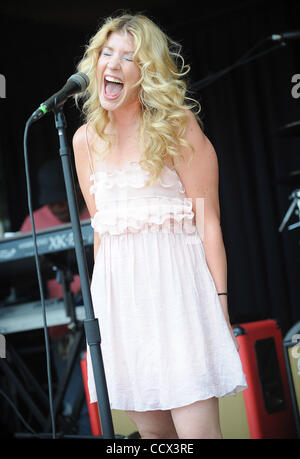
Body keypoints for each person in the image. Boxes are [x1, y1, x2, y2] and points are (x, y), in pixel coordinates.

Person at [72, 13, 247, 439]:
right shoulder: (83, 142)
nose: (112, 64)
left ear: (146, 72)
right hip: (123, 309)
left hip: (180, 301)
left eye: (128, 57)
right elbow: (103, 233)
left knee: (198, 435)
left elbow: (208, 221)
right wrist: (102, 311)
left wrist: (219, 304)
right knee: (155, 441)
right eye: (106, 53)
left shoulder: (177, 126)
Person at [20, 158, 91, 434]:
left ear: (77, 189)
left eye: (64, 199)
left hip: (106, 315)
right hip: (63, 327)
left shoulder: (98, 209)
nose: (60, 207)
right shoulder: (33, 223)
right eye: (54, 203)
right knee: (76, 398)